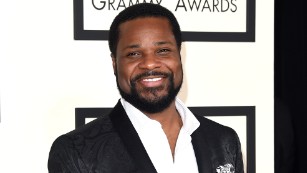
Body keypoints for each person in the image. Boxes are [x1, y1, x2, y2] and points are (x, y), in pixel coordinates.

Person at [48, 3, 244, 173]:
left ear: (179, 56)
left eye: (163, 50)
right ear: (114, 63)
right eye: (133, 54)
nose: (150, 64)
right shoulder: (77, 151)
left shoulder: (224, 140)